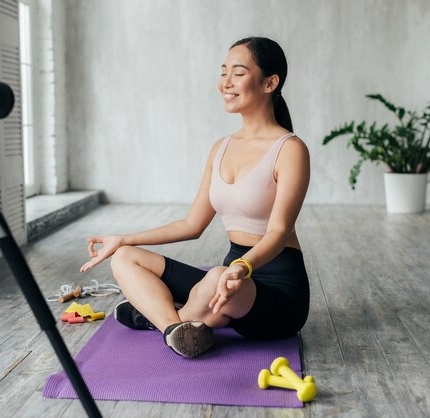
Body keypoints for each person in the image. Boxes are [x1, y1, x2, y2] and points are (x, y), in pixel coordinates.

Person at [80, 36, 310, 359]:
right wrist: (123, 239)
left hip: (275, 290)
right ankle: (177, 327)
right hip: (226, 284)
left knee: (217, 278)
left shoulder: (290, 150)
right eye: (223, 72)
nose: (225, 83)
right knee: (125, 258)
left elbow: (278, 231)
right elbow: (192, 223)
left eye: (238, 73)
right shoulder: (220, 148)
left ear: (270, 82)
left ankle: (159, 316)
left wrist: (243, 266)